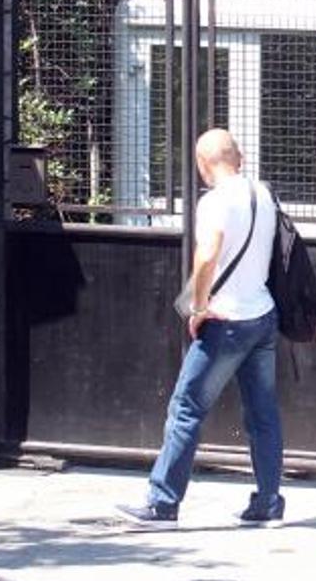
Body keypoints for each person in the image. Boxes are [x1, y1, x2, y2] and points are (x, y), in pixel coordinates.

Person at [117, 128, 285, 529]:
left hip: (226, 321)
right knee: (263, 414)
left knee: (186, 408)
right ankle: (268, 502)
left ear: (202, 164)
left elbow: (208, 254)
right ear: (239, 157)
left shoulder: (214, 202)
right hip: (263, 315)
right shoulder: (264, 195)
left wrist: (198, 306)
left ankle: (162, 504)